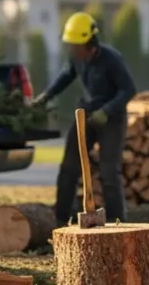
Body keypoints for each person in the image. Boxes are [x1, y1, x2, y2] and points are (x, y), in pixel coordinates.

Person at [33, 11, 137, 225]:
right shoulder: (76, 59)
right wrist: (46, 96)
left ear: (89, 43)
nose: (71, 49)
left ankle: (119, 222)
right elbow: (65, 76)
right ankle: (61, 219)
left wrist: (106, 111)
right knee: (68, 168)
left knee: (109, 172)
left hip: (112, 119)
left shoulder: (112, 59)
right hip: (86, 115)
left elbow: (129, 90)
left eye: (75, 45)